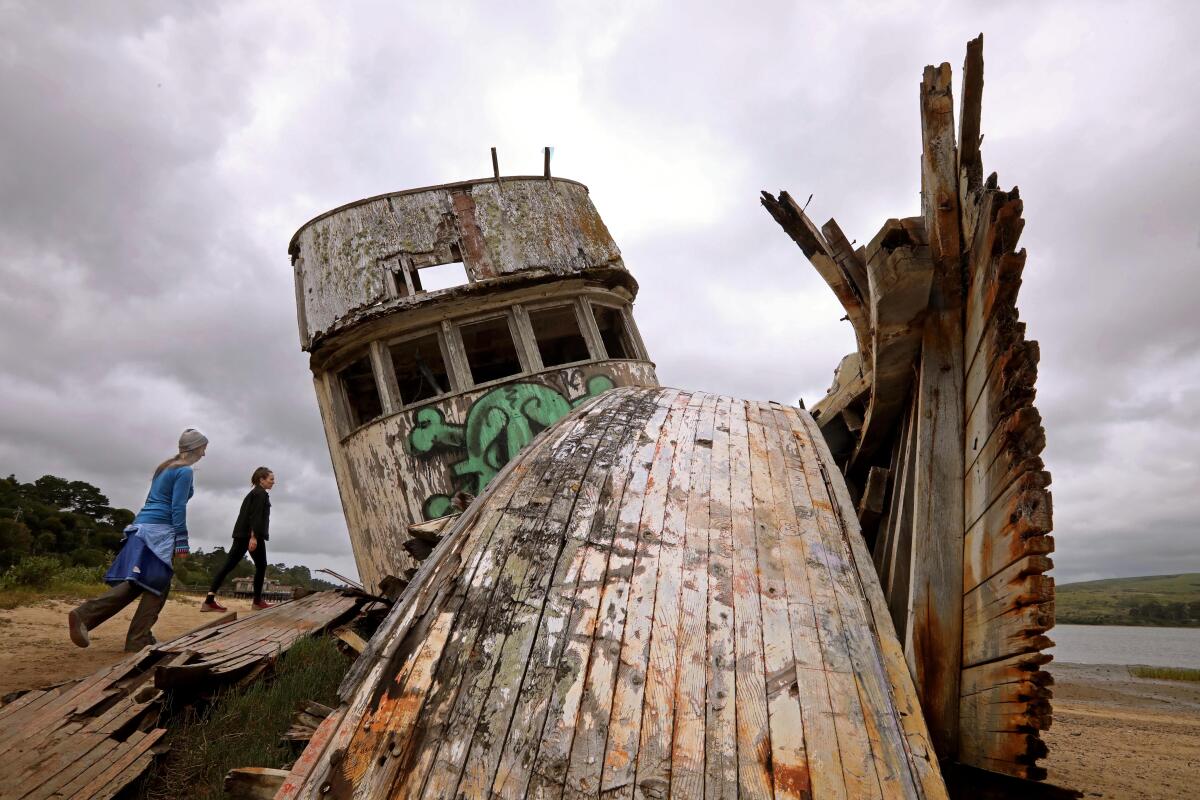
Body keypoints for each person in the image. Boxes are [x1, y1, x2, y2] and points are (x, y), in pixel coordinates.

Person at [68, 428, 208, 651]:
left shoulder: (165, 468)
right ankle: (135, 638)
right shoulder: (184, 471)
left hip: (141, 526)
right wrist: (182, 539)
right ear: (196, 448)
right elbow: (177, 506)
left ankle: (93, 620)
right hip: (158, 531)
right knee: (157, 585)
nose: (204, 453)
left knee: (139, 582)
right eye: (203, 448)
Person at [202, 467, 274, 612]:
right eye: (271, 479)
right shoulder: (260, 494)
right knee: (261, 565)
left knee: (228, 566)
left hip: (241, 534)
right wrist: (254, 537)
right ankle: (257, 602)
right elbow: (255, 516)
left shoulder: (252, 494)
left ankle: (208, 601)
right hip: (251, 536)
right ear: (261, 480)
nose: (273, 482)